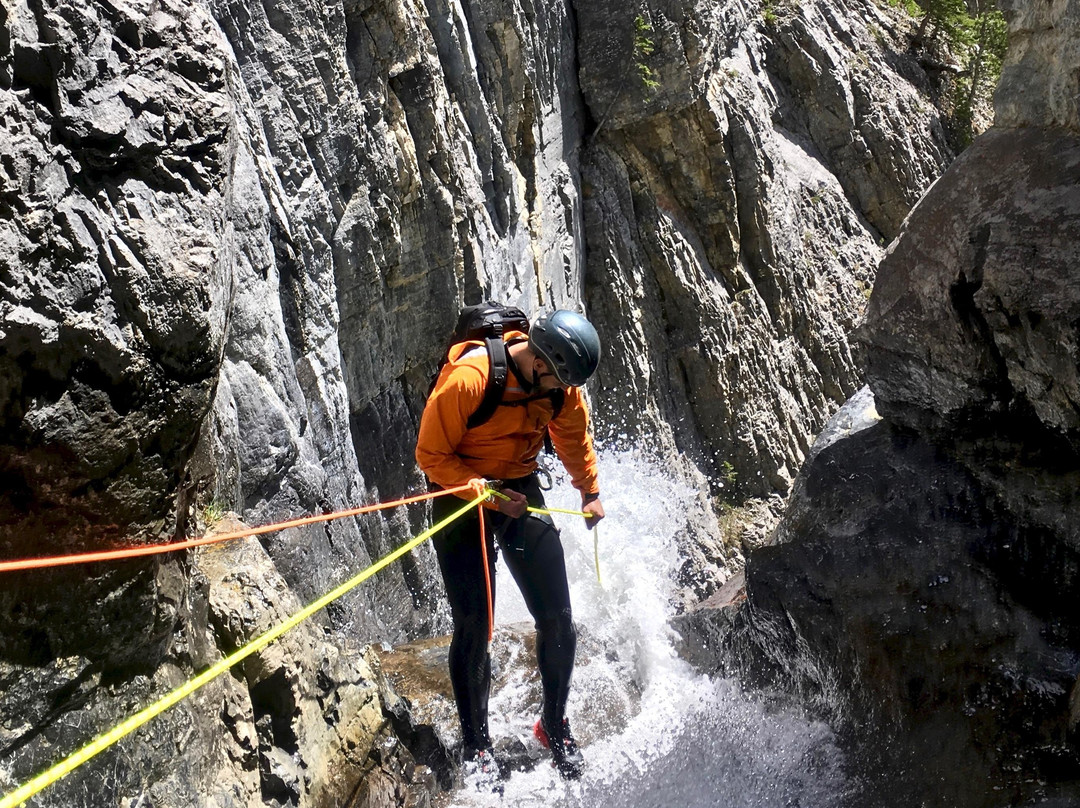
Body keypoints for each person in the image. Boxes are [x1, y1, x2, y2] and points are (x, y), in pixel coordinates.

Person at [415, 308, 605, 784]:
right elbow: (430, 454)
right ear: (540, 362)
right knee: (476, 623)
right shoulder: (470, 378)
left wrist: (590, 490)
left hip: (519, 488)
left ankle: (554, 724)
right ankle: (477, 744)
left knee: (558, 618)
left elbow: (571, 434)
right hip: (462, 497)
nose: (562, 391)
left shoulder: (558, 385)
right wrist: (484, 491)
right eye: (557, 381)